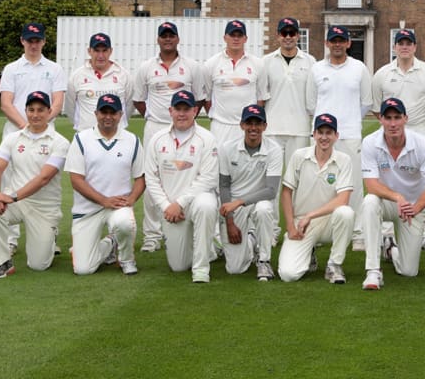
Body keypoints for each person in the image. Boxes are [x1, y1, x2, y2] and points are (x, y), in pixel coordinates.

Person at [132, 21, 205, 253]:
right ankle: (152, 235)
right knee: (152, 178)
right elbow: (138, 100)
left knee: (185, 174)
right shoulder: (146, 67)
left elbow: (201, 98)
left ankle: (188, 224)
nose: (167, 39)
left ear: (177, 39)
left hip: (185, 129)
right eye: (163, 36)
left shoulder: (192, 66)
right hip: (156, 127)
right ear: (158, 39)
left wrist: (186, 119)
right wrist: (156, 119)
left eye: (171, 35)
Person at [0, 91, 70, 278]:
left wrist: (11, 196)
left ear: (49, 111)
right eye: (31, 110)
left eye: (40, 110)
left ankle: (50, 238)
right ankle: (3, 262)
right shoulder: (13, 138)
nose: (35, 114)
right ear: (26, 111)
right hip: (16, 202)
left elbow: (44, 178)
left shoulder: (60, 142)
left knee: (38, 265)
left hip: (44, 207)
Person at [371, 27, 425, 248]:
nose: (404, 47)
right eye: (400, 43)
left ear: (415, 46)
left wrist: (418, 125)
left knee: (423, 182)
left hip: (419, 130)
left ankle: (424, 231)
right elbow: (376, 108)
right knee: (388, 179)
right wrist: (393, 125)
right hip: (390, 134)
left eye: (408, 43)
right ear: (394, 47)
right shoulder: (382, 74)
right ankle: (387, 232)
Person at [360, 98, 425, 289]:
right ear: (381, 119)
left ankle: (391, 250)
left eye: (397, 117)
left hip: (413, 207)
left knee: (408, 271)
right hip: (388, 202)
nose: (393, 123)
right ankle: (373, 271)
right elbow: (371, 185)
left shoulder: (422, 144)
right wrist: (397, 197)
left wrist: (416, 207)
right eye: (388, 118)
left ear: (406, 118)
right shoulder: (370, 142)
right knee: (370, 202)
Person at [307, 25, 372, 249]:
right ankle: (319, 231)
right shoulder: (316, 69)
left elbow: (366, 102)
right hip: (321, 136)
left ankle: (357, 233)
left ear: (348, 43)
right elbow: (310, 103)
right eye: (333, 40)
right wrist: (325, 131)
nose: (337, 44)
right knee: (320, 184)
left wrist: (348, 121)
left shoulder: (359, 68)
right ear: (327, 43)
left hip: (350, 134)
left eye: (341, 40)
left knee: (353, 184)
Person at [144, 90, 219, 283]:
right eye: (178, 109)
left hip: (193, 203)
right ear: (170, 110)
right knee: (178, 266)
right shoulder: (157, 139)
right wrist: (167, 206)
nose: (182, 113)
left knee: (206, 204)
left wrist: (181, 202)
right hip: (169, 209)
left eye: (187, 109)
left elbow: (208, 178)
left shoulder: (206, 138)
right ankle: (209, 248)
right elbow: (151, 179)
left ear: (195, 110)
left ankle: (201, 269)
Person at [66, 93, 145, 276]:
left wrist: (131, 199)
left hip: (118, 205)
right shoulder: (81, 139)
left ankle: (126, 260)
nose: (108, 116)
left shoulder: (132, 140)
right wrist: (103, 200)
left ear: (120, 115)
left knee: (125, 222)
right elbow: (76, 179)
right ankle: (110, 243)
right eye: (104, 112)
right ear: (96, 113)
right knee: (83, 269)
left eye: (113, 112)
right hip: (87, 208)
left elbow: (141, 177)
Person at [278, 113, 355, 284]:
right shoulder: (299, 156)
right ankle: (308, 253)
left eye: (329, 133)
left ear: (336, 136)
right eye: (320, 132)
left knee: (346, 213)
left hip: (329, 220)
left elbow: (343, 199)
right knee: (288, 275)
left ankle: (334, 264)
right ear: (313, 134)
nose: (324, 137)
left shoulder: (344, 160)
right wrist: (290, 226)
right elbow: (286, 192)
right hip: (302, 225)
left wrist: (310, 215)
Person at [218, 104, 282, 281]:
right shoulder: (227, 148)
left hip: (258, 201)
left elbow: (271, 190)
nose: (253, 127)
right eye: (249, 123)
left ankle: (264, 261)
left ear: (264, 126)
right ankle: (252, 239)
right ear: (242, 125)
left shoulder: (274, 149)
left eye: (258, 123)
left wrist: (239, 202)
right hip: (233, 205)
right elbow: (224, 185)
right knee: (235, 269)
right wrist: (229, 221)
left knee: (264, 209)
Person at [260, 17, 315, 177]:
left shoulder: (310, 62)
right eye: (285, 33)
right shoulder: (266, 61)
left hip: (300, 130)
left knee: (297, 179)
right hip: (272, 130)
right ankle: (268, 204)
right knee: (271, 179)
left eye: (292, 33)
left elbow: (313, 97)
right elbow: (261, 97)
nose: (288, 36)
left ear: (298, 36)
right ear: (278, 35)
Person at [204, 19, 266, 148]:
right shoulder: (211, 64)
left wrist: (252, 123)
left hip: (247, 126)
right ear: (225, 37)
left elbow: (260, 99)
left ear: (245, 38)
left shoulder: (257, 64)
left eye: (239, 35)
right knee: (219, 165)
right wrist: (219, 117)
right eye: (232, 35)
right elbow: (207, 98)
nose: (236, 39)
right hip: (220, 126)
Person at [0, 21, 66, 137]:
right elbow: (6, 104)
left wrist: (39, 126)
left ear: (44, 41)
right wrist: (25, 127)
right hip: (15, 132)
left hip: (45, 133)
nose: (34, 46)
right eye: (30, 41)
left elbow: (57, 103)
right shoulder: (11, 69)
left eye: (37, 41)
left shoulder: (56, 69)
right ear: (22, 41)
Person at [66, 32, 133, 133]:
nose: (100, 55)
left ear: (110, 51)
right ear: (89, 51)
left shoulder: (123, 75)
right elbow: (70, 107)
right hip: (85, 135)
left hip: (116, 135)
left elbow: (129, 105)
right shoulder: (77, 76)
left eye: (104, 50)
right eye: (96, 51)